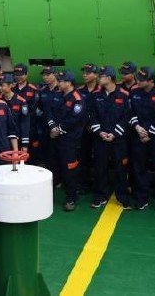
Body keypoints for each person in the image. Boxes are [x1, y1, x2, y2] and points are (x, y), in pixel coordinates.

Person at [128, 67, 155, 211]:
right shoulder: (134, 91)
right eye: (137, 78)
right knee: (139, 168)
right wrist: (137, 127)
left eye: (141, 80)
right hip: (138, 135)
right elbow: (130, 111)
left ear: (151, 81)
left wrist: (150, 133)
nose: (137, 81)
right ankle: (142, 199)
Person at [88, 66, 131, 209]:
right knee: (100, 168)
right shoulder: (96, 95)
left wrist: (114, 133)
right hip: (100, 138)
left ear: (110, 78)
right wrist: (99, 132)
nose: (99, 78)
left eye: (101, 76)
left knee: (120, 168)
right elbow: (92, 116)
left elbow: (126, 117)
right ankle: (100, 196)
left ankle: (123, 197)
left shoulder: (124, 95)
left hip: (118, 139)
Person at [48, 71, 88, 211]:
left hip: (69, 141)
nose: (59, 83)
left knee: (69, 170)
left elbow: (75, 119)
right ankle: (48, 198)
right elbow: (49, 112)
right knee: (53, 167)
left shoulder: (77, 99)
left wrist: (58, 129)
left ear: (69, 82)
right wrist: (52, 126)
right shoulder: (57, 95)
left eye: (62, 81)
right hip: (54, 138)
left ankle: (71, 198)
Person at [77, 63, 101, 193]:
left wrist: (95, 125)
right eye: (84, 72)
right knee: (83, 156)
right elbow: (80, 112)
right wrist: (87, 124)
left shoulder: (102, 90)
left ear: (96, 75)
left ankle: (99, 185)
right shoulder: (80, 91)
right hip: (84, 130)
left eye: (88, 72)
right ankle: (84, 183)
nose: (85, 74)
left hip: (99, 130)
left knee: (99, 158)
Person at [0, 75, 30, 150]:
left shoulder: (21, 101)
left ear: (11, 85)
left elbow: (25, 123)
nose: (0, 88)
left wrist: (24, 144)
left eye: (2, 85)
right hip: (2, 138)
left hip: (17, 138)